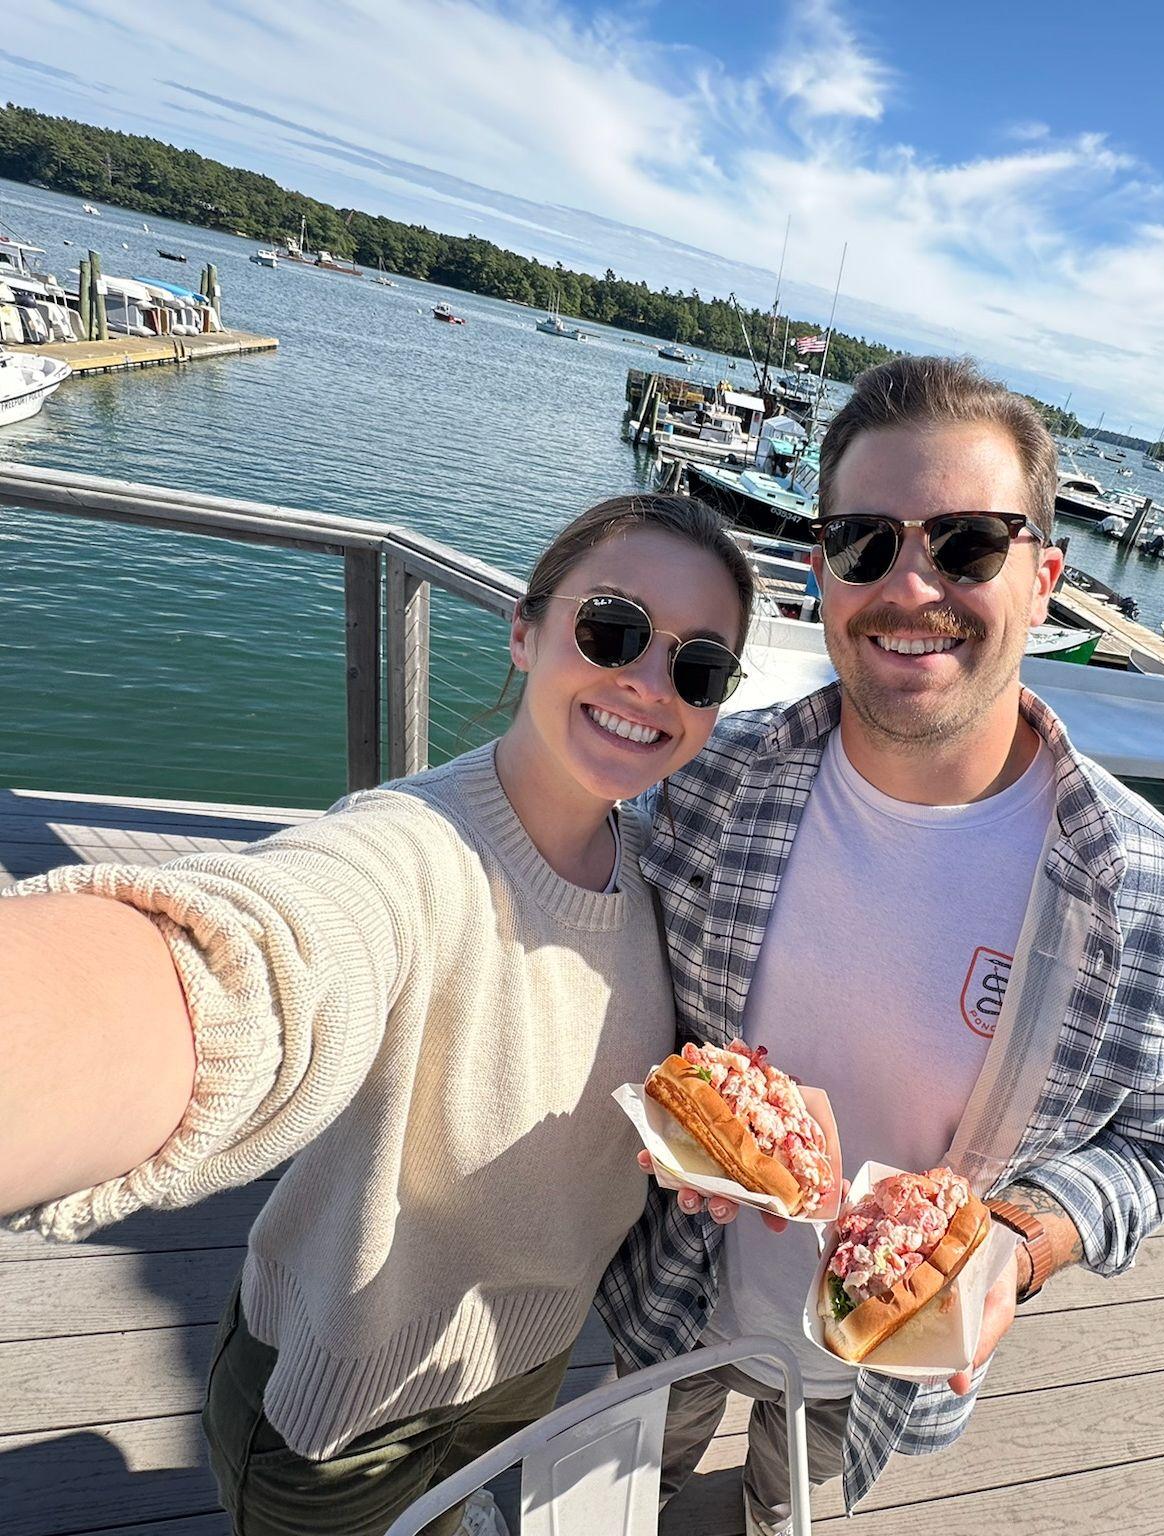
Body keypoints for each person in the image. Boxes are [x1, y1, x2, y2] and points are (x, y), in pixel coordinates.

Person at [0, 494, 755, 1536]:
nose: (646, 681)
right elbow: (276, 956)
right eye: (611, 629)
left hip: (518, 1381)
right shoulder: (411, 850)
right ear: (526, 629)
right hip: (334, 1418)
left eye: (698, 666)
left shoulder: (655, 879)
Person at [598, 358, 1164, 1532]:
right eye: (864, 542)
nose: (910, 586)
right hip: (671, 1290)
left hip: (882, 1374)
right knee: (612, 1496)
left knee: (780, 1515)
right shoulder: (706, 780)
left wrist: (1022, 1235)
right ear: (820, 573)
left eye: (964, 545)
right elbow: (570, 902)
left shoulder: (1163, 904)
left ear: (1042, 578)